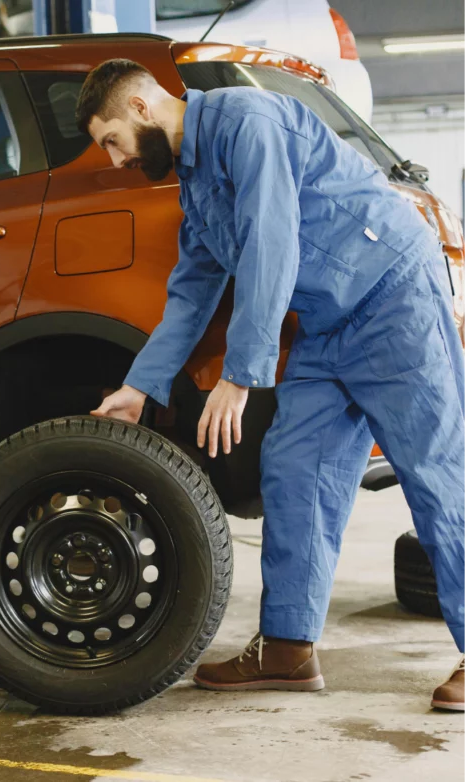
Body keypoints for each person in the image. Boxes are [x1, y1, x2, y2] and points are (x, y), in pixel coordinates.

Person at [75, 58, 465, 711]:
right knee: (294, 469)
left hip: (392, 299)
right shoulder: (195, 181)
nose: (113, 159)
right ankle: (287, 649)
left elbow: (272, 243)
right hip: (326, 325)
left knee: (437, 473)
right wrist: (139, 386)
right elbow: (193, 291)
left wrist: (241, 375)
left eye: (110, 139)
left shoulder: (246, 122)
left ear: (142, 107)